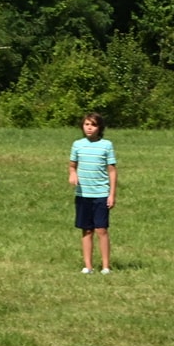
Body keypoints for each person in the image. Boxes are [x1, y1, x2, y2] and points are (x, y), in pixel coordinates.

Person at [68, 111, 117, 273]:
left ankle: (105, 266)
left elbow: (112, 171)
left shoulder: (106, 145)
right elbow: (72, 165)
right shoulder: (77, 145)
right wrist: (72, 174)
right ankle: (88, 266)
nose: (89, 128)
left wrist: (111, 194)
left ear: (100, 127)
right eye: (86, 124)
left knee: (101, 230)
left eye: (93, 125)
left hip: (101, 194)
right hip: (83, 195)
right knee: (86, 230)